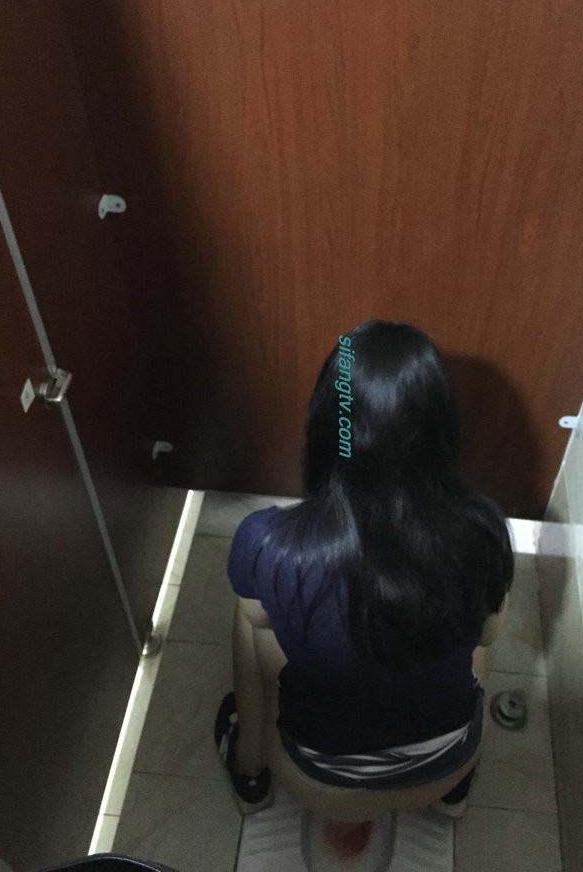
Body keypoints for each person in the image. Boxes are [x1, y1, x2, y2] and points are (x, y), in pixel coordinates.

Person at [214, 320, 514, 857]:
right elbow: (489, 633)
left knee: (249, 618)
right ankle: (457, 794)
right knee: (478, 637)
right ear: (440, 431)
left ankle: (250, 766)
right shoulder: (484, 532)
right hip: (446, 762)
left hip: (317, 772)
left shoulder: (268, 542)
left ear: (326, 429)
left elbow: (262, 621)